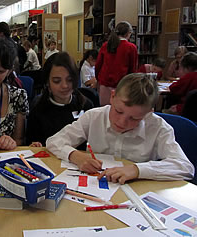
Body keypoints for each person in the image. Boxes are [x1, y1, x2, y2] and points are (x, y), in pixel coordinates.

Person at [46, 73, 194, 184]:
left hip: (137, 196)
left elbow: (185, 167)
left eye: (134, 118)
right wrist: (74, 155)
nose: (122, 122)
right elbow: (54, 141)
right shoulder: (94, 117)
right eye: (118, 111)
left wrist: (137, 170)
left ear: (149, 112)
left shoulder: (158, 128)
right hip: (96, 188)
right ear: (112, 96)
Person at [26, 52, 94, 147]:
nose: (64, 86)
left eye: (69, 80)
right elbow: (31, 143)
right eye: (57, 81)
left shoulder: (86, 105)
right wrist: (34, 146)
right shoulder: (38, 109)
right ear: (47, 83)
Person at [95, 21, 138, 106]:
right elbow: (132, 69)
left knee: (104, 110)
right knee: (119, 110)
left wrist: (99, 79)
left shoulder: (106, 45)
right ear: (128, 33)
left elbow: (98, 65)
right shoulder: (131, 47)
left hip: (104, 83)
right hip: (121, 85)